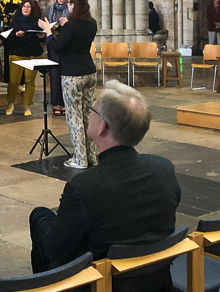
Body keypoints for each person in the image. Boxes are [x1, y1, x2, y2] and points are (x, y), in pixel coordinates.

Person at [29, 81, 180, 290]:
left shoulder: (85, 186)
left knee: (40, 217)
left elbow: (54, 248)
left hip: (103, 283)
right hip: (156, 279)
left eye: (91, 109)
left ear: (102, 126)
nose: (88, 113)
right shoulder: (164, 168)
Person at [38, 0, 97, 169]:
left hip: (72, 74)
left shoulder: (72, 25)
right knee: (87, 115)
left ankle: (79, 159)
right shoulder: (91, 23)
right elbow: (77, 40)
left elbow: (58, 47)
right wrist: (65, 25)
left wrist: (48, 32)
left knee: (74, 117)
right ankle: (91, 156)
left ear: (72, 5)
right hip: (89, 71)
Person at [5, 0, 45, 116]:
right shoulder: (15, 21)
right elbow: (8, 36)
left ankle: (27, 106)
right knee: (14, 81)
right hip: (17, 53)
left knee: (30, 81)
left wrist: (41, 36)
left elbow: (41, 37)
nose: (26, 8)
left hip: (33, 54)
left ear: (31, 9)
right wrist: (16, 35)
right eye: (24, 6)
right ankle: (10, 103)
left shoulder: (37, 22)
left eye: (28, 7)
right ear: (21, 8)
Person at [45, 0, 70, 114]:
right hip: (53, 44)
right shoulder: (49, 9)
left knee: (65, 74)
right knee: (55, 74)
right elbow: (44, 24)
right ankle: (56, 104)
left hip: (65, 43)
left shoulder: (69, 10)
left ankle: (65, 103)